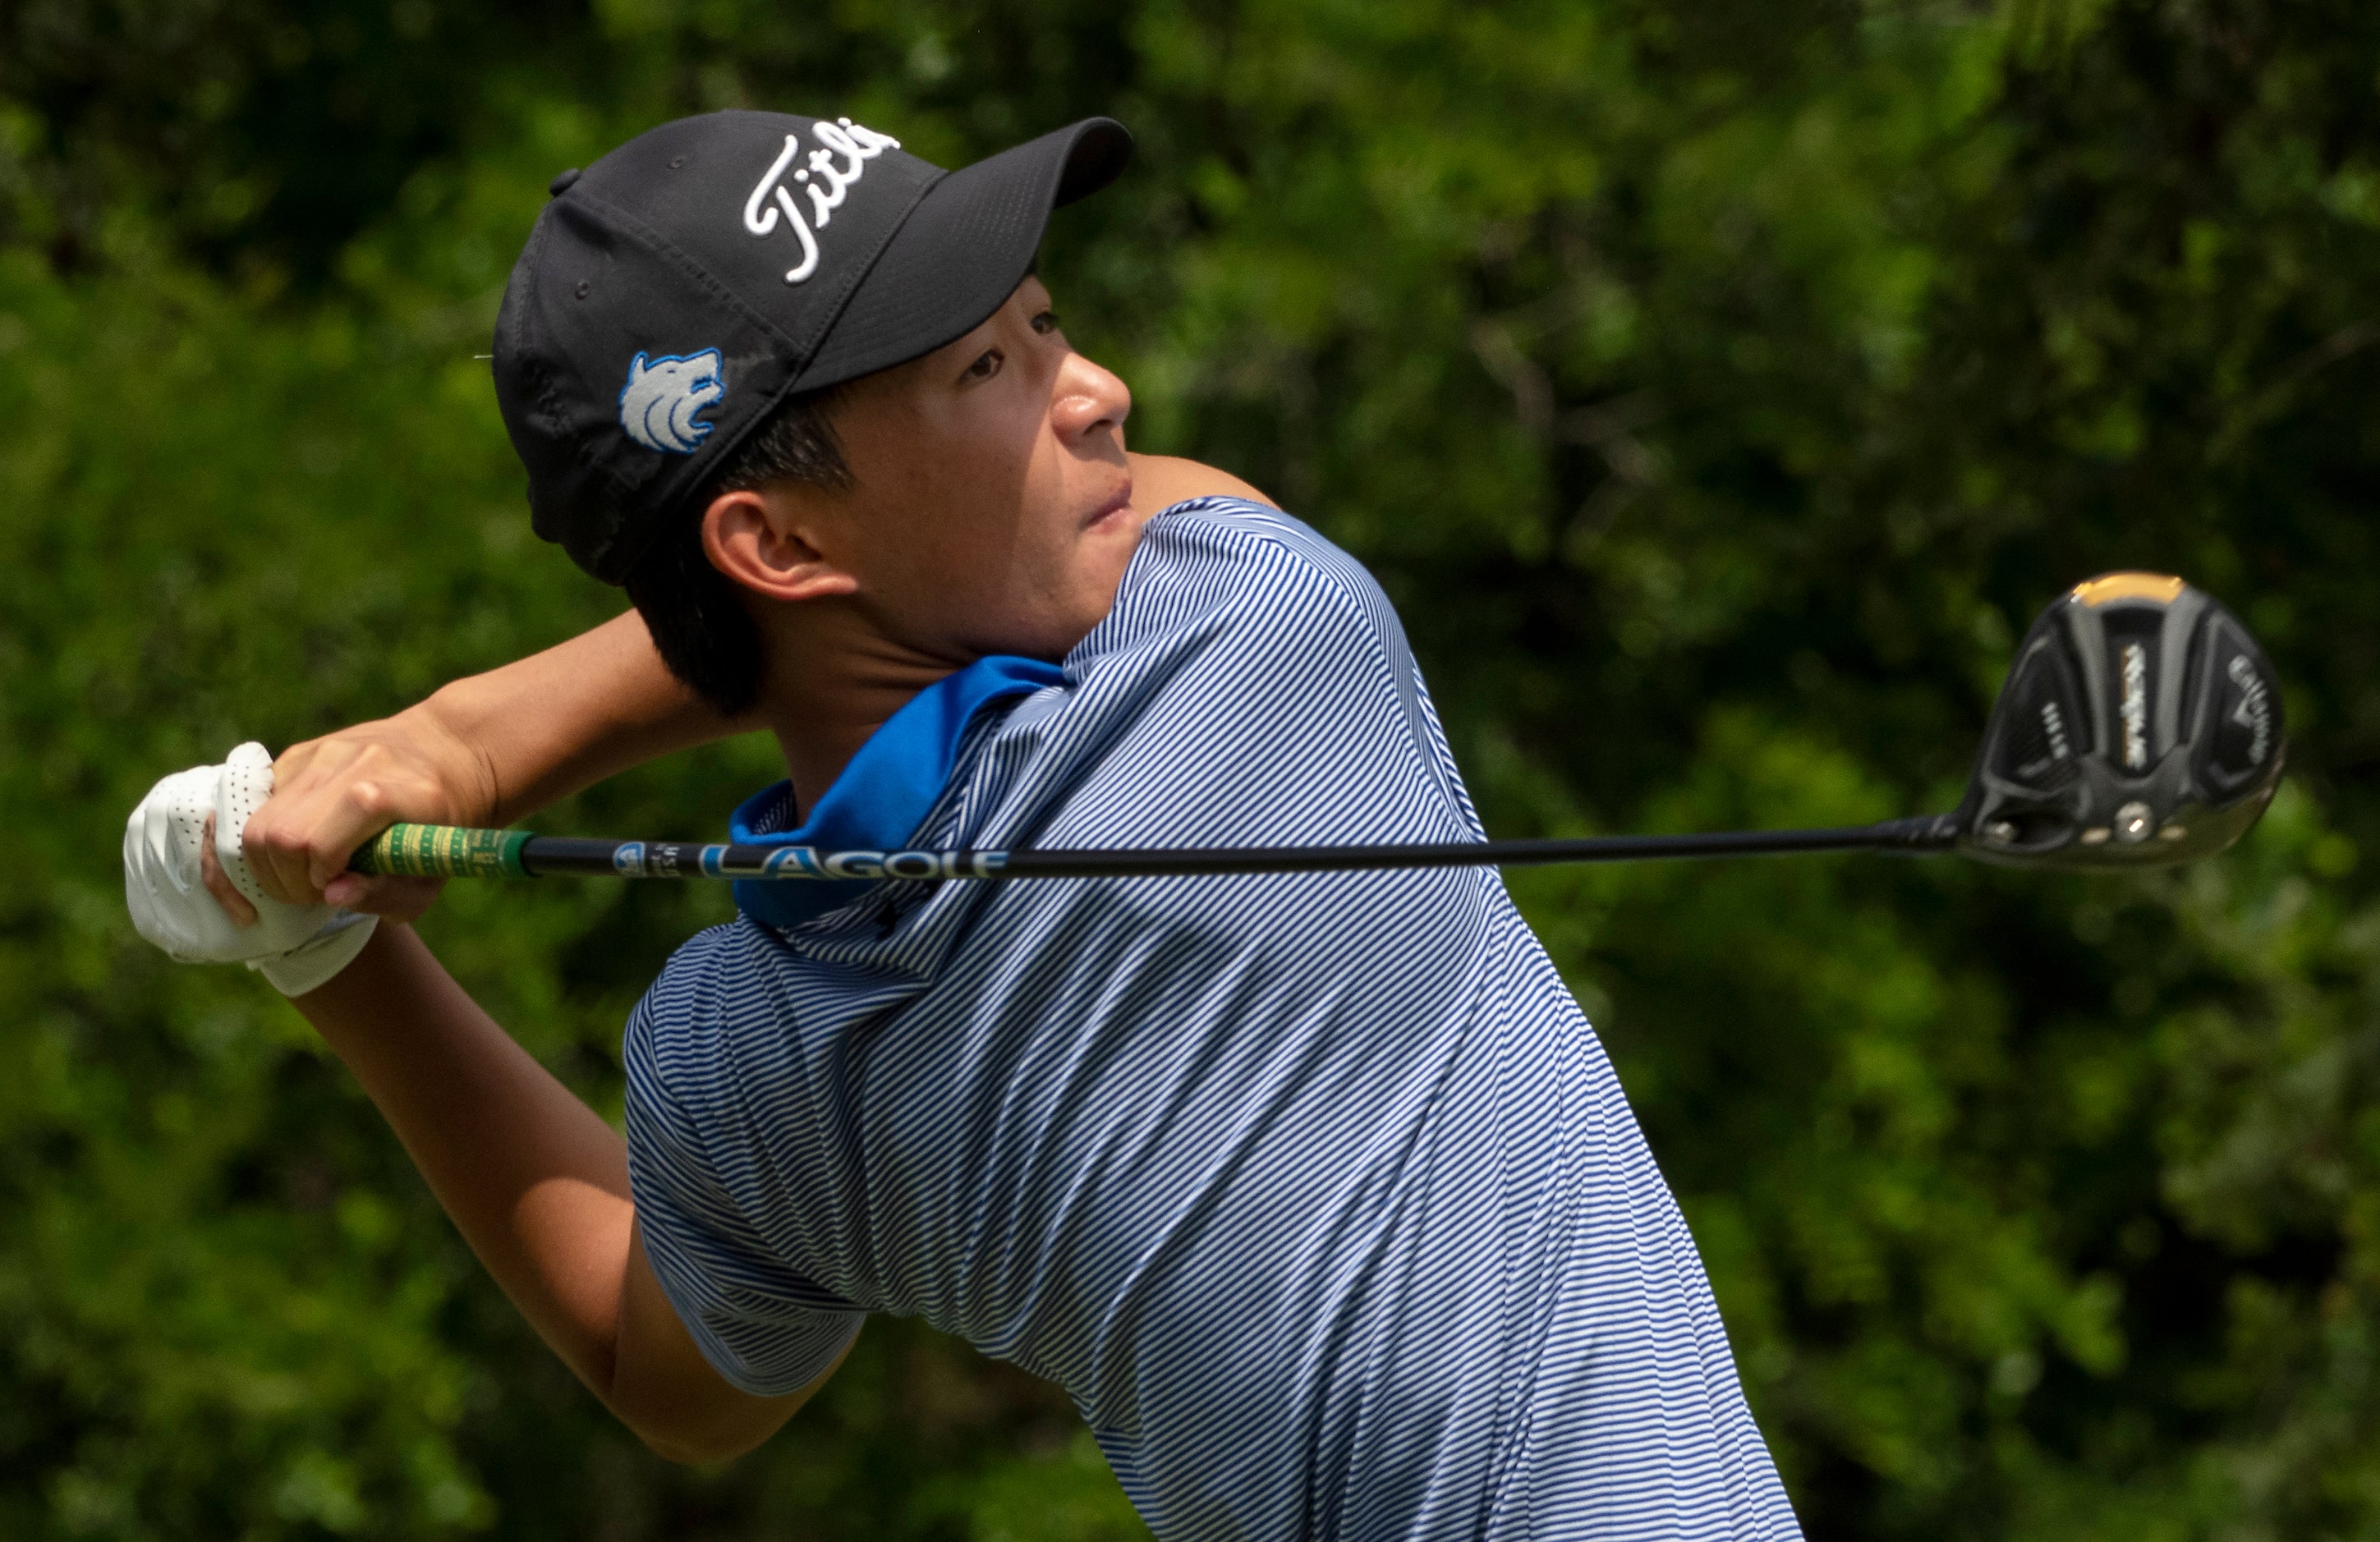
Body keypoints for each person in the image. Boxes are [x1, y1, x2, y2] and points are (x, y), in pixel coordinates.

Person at [122, 110, 1802, 1539]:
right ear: (779, 544)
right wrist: (475, 743)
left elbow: (669, 1379)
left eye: (1048, 324)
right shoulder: (1252, 631)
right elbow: (1145, 520)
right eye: (991, 365)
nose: (1098, 394)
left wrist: (331, 950)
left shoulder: (750, 1063)